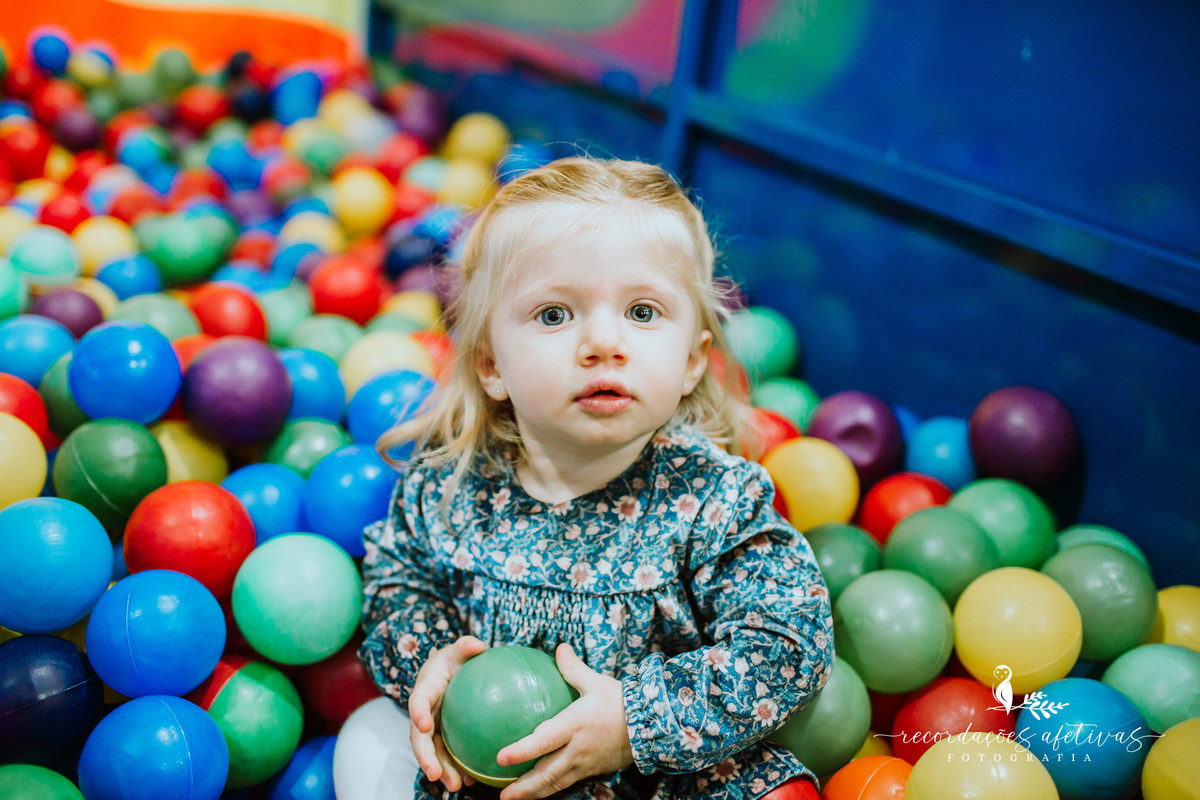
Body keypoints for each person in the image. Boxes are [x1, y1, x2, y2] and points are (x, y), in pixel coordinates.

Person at [358, 157, 835, 800]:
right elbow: (397, 582)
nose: (604, 342)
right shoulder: (451, 484)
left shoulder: (714, 499)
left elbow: (787, 640)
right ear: (492, 365)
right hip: (495, 777)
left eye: (642, 312)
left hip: (663, 779)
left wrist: (635, 724)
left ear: (693, 361)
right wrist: (430, 667)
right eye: (555, 315)